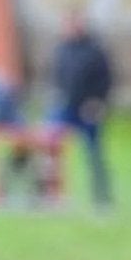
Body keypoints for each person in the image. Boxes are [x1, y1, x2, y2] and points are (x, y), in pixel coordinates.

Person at [50, 14, 112, 206]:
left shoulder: (94, 51)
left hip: (88, 108)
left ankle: (101, 199)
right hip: (66, 107)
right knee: (49, 145)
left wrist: (97, 102)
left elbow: (106, 79)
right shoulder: (62, 50)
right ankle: (51, 195)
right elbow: (56, 77)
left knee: (94, 153)